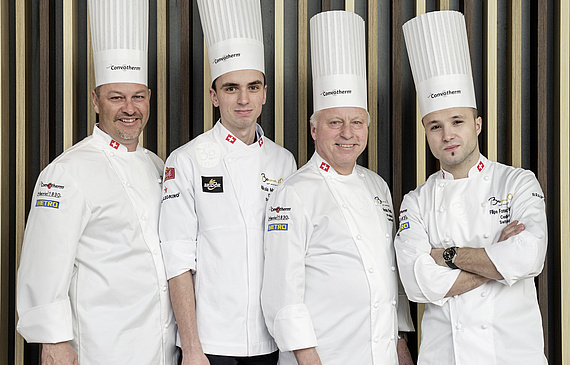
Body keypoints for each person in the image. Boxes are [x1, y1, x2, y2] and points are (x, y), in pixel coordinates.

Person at [16, 0, 177, 364]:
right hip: (101, 348)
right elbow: (43, 265)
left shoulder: (156, 165)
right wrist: (53, 341)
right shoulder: (66, 173)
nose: (129, 108)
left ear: (149, 99)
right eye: (116, 97)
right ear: (95, 101)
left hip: (160, 347)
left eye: (138, 96)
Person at [261, 11, 414, 365]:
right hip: (325, 357)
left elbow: (388, 271)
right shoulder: (293, 193)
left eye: (357, 122)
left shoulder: (378, 186)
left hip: (381, 353)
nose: (348, 133)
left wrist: (400, 343)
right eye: (335, 123)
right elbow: (283, 291)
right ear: (314, 130)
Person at [395, 10, 548, 364]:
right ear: (426, 133)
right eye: (435, 126)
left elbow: (528, 257)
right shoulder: (416, 202)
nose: (447, 135)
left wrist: (445, 256)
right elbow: (417, 284)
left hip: (514, 355)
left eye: (457, 121)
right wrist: (495, 261)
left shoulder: (518, 181)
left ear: (477, 125)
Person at [158, 1, 297, 364]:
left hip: (270, 339)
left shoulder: (284, 161)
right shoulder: (186, 160)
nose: (243, 99)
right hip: (210, 341)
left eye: (253, 87)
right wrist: (191, 346)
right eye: (231, 88)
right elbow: (177, 259)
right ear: (214, 96)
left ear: (265, 93)